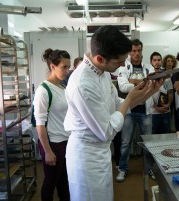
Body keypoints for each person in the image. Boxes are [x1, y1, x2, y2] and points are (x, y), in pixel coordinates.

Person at [64, 26, 163, 201]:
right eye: (119, 62)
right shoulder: (83, 84)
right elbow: (107, 131)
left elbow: (117, 103)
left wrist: (146, 93)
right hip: (87, 155)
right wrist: (129, 98)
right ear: (100, 58)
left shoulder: (101, 71)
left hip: (100, 152)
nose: (123, 65)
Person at [33, 48, 71, 201]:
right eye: (64, 67)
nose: (67, 71)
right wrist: (48, 151)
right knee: (50, 182)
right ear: (52, 66)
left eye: (68, 67)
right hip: (53, 144)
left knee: (64, 183)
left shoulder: (62, 87)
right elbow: (40, 125)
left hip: (66, 141)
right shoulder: (44, 90)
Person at [116, 39, 155, 182]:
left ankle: (149, 168)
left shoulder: (149, 68)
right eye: (133, 51)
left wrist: (133, 82)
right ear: (129, 53)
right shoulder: (123, 68)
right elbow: (122, 87)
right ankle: (123, 169)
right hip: (129, 111)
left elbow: (151, 86)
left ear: (142, 51)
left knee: (148, 143)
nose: (136, 53)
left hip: (146, 111)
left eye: (139, 50)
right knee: (126, 142)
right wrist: (142, 83)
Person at [150, 52, 173, 134]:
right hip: (152, 113)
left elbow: (170, 92)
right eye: (154, 60)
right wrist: (156, 107)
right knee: (152, 138)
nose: (157, 62)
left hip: (165, 112)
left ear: (161, 61)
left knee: (165, 138)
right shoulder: (149, 76)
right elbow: (147, 95)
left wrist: (168, 104)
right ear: (151, 62)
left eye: (159, 60)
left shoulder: (166, 76)